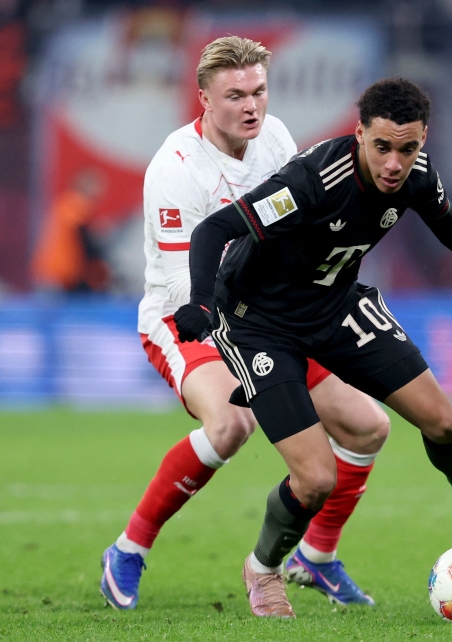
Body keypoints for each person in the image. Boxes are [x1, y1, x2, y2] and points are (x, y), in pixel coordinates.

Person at [173, 77, 452, 618]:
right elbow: (213, 230)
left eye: (407, 149)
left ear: (422, 139)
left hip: (335, 307)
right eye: (381, 146)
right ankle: (263, 569)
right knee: (315, 480)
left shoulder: (417, 175)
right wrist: (199, 302)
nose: (393, 164)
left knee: (446, 423)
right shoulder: (311, 182)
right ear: (359, 133)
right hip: (259, 323)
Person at [100, 36, 389, 612]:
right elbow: (183, 284)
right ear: (205, 98)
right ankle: (129, 549)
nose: (251, 106)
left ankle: (316, 556)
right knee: (232, 424)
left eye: (258, 91)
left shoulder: (275, 138)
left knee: (367, 427)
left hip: (266, 314)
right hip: (186, 318)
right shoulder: (176, 167)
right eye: (235, 95)